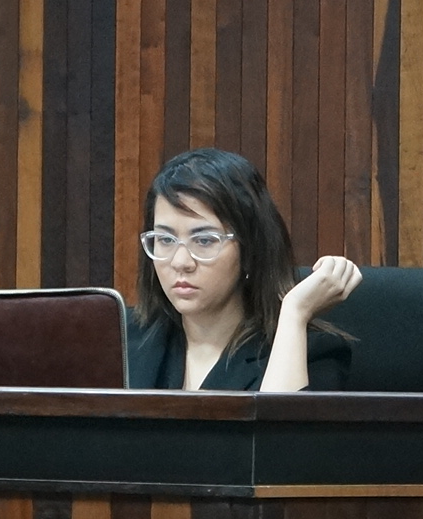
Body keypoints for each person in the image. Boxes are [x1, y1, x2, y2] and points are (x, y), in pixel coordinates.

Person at [126, 147, 358, 392]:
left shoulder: (312, 351)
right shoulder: (122, 343)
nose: (180, 262)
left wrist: (295, 313)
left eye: (204, 240)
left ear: (249, 249)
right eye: (165, 240)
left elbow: (278, 418)